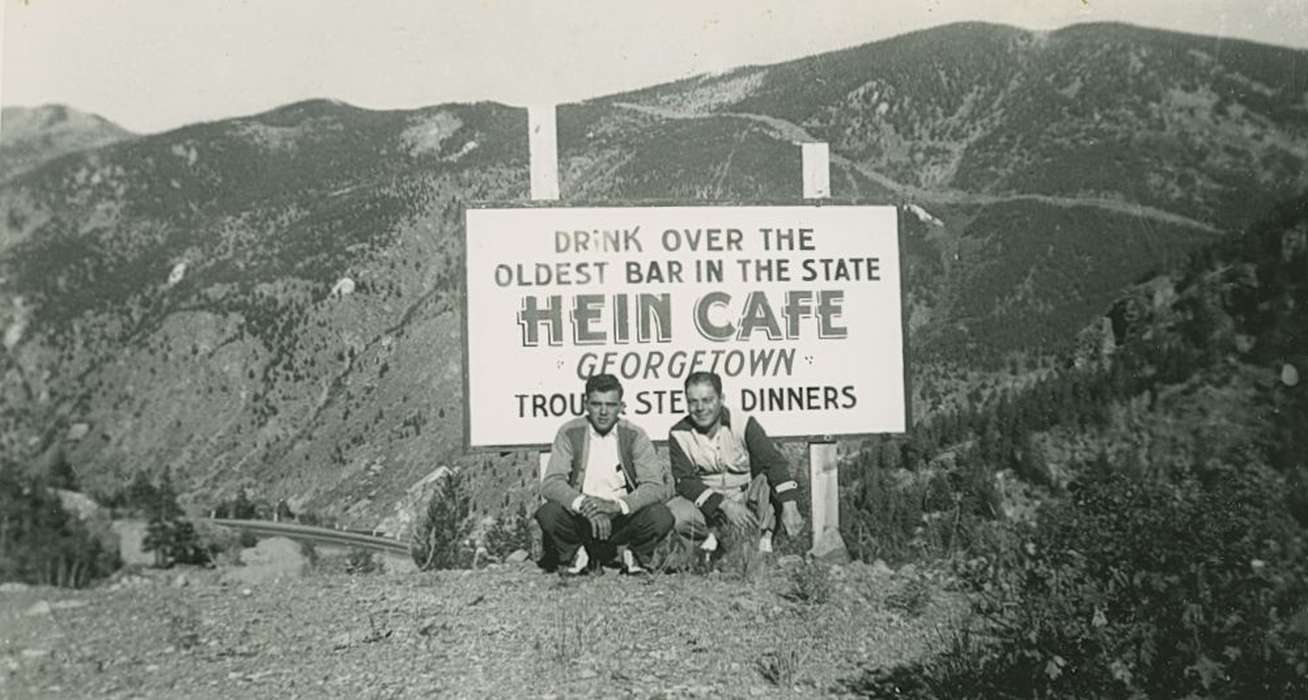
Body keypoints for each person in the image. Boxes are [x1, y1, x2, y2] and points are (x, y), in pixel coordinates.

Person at [536, 373, 673, 574]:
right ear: (585, 404)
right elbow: (551, 483)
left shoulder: (635, 435)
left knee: (660, 516)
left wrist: (617, 506)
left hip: (621, 517)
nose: (603, 412)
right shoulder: (569, 432)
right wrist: (585, 505)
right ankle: (576, 554)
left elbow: (653, 486)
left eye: (610, 405)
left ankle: (634, 556)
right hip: (583, 518)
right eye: (596, 404)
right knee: (549, 513)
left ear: (621, 406)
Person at [666, 371, 804, 554]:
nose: (700, 408)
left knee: (766, 484)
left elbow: (774, 462)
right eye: (693, 401)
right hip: (711, 506)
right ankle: (711, 540)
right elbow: (685, 481)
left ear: (721, 399)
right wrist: (725, 505)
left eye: (707, 400)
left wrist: (790, 506)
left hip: (747, 499)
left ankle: (764, 538)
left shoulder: (743, 423)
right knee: (674, 513)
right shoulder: (679, 433)